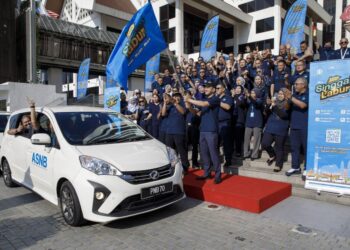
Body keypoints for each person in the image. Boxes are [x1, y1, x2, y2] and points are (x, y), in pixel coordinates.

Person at [185, 81, 222, 184]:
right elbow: (198, 113)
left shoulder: (215, 99)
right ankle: (207, 172)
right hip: (203, 130)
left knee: (213, 153)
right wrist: (190, 107)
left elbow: (203, 104)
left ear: (213, 89)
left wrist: (189, 99)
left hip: (211, 130)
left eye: (208, 87)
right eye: (205, 87)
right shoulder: (204, 100)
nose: (205, 89)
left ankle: (218, 174)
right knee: (204, 153)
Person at [261, 89, 290, 172]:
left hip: (281, 128)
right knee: (265, 144)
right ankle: (272, 155)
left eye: (282, 94)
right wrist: (268, 105)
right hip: (270, 127)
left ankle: (278, 165)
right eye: (279, 94)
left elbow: (283, 115)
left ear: (285, 95)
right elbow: (266, 113)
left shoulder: (287, 104)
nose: (279, 95)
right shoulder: (274, 103)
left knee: (279, 148)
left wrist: (274, 106)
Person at [285, 77, 309, 176]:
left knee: (306, 148)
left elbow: (303, 105)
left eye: (296, 84)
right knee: (294, 148)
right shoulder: (294, 95)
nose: (295, 86)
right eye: (294, 84)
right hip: (294, 125)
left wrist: (291, 98)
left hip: (304, 126)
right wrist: (288, 99)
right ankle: (295, 167)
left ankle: (307, 168)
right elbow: (286, 108)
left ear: (303, 85)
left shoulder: (308, 94)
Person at [162, 92, 190, 174]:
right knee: (170, 151)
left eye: (177, 97)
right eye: (174, 96)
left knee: (182, 151)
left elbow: (183, 112)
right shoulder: (169, 106)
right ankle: (172, 166)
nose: (175, 98)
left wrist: (174, 103)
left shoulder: (183, 104)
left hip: (179, 132)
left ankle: (185, 167)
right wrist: (164, 102)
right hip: (169, 132)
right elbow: (163, 114)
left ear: (180, 98)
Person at [216, 82, 234, 167]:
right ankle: (216, 160)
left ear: (223, 89)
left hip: (225, 122)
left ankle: (228, 160)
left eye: (218, 88)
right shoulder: (215, 98)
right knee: (215, 142)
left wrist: (217, 101)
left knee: (226, 143)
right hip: (216, 123)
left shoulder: (228, 97)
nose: (217, 90)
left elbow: (228, 107)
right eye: (216, 88)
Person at [243, 88, 263, 160]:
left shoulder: (260, 100)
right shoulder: (249, 101)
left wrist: (250, 97)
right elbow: (244, 104)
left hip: (257, 123)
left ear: (257, 94)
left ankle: (254, 155)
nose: (252, 94)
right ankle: (246, 153)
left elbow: (256, 104)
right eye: (251, 93)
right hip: (248, 122)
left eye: (253, 93)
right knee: (246, 139)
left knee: (256, 140)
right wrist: (245, 97)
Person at [232, 85, 246, 157]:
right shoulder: (232, 96)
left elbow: (240, 103)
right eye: (236, 88)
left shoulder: (242, 97)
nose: (237, 89)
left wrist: (234, 96)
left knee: (238, 137)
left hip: (239, 119)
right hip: (232, 119)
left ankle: (238, 151)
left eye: (239, 88)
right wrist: (232, 96)